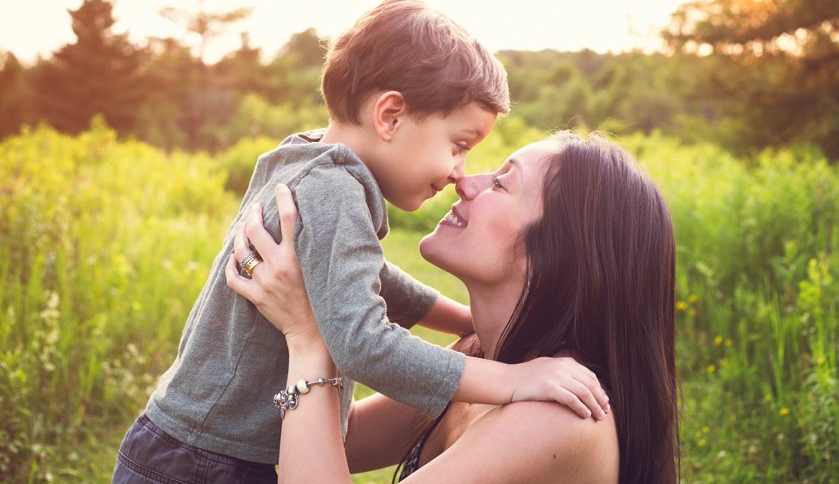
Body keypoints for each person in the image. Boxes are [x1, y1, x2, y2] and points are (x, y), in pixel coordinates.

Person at [113, 0, 608, 483]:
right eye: (458, 146)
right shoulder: (333, 188)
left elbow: (368, 275)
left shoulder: (308, 160)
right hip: (200, 464)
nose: (460, 173)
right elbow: (365, 345)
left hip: (188, 449)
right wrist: (513, 379)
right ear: (390, 116)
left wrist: (459, 320)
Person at [226, 131, 679, 483]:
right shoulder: (482, 359)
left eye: (501, 183)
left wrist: (308, 340)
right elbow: (329, 440)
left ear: (555, 253)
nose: (466, 182)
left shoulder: (559, 417)